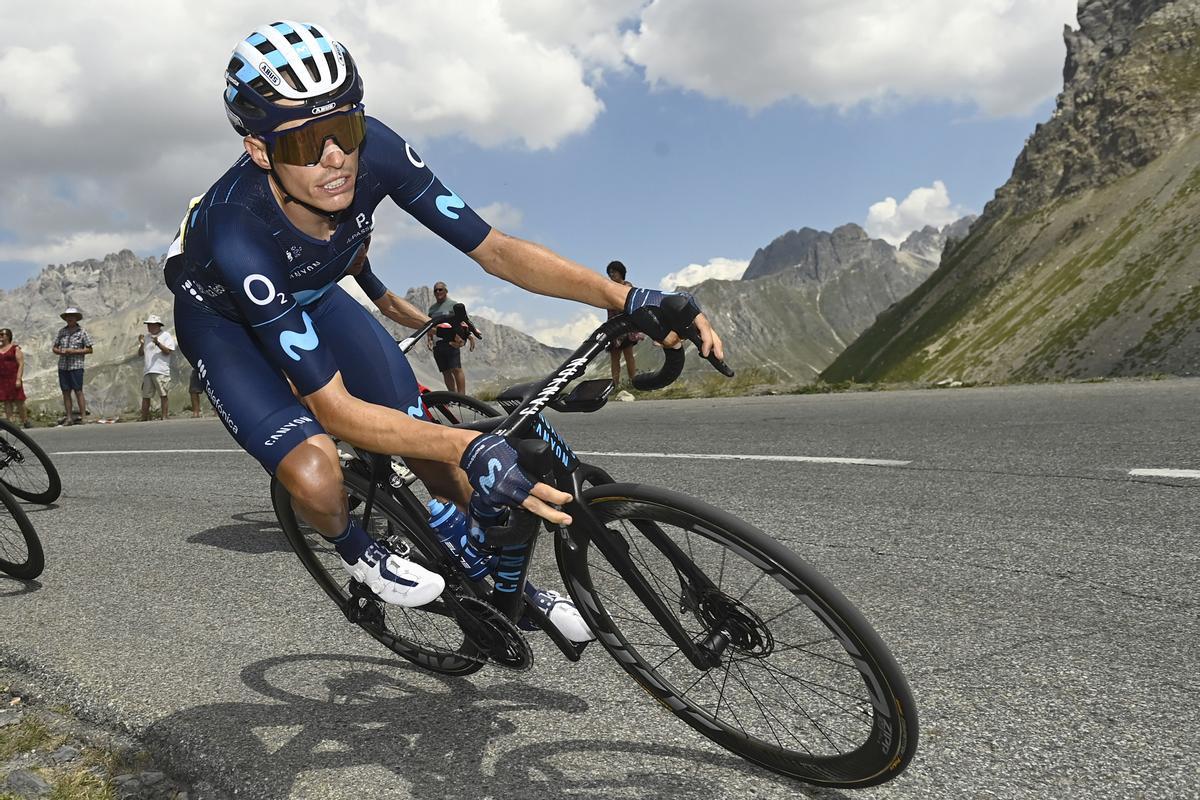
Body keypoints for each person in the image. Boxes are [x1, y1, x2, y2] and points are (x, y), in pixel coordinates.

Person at [162, 21, 723, 631]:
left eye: (345, 129)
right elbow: (336, 410)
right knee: (319, 472)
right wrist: (469, 441)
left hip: (317, 297)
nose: (335, 160)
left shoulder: (378, 150)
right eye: (304, 143)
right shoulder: (237, 227)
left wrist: (627, 297)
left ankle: (499, 584)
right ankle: (356, 549)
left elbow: (495, 249)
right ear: (260, 150)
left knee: (420, 435)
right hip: (222, 324)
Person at [426, 282, 475, 393]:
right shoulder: (432, 309)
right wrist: (429, 339)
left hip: (452, 341)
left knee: (456, 369)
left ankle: (462, 397)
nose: (438, 292)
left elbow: (464, 321)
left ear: (446, 291)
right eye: (436, 290)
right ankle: (452, 397)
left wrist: (469, 335)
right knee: (445, 371)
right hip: (437, 344)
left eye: (440, 289)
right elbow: (430, 325)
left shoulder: (453, 305)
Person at [603, 261, 644, 389]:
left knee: (628, 354)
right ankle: (615, 385)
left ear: (621, 273)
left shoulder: (627, 287)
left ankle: (634, 382)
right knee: (614, 356)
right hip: (613, 325)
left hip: (626, 326)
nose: (611, 274)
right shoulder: (609, 287)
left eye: (614, 271)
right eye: (610, 272)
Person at [52, 307, 93, 426]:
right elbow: (54, 347)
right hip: (63, 366)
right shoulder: (62, 332)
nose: (70, 318)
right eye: (68, 317)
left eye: (72, 316)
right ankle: (69, 417)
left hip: (76, 365)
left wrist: (74, 351)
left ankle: (83, 417)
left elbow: (89, 349)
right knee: (66, 391)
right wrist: (60, 352)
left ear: (76, 318)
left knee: (78, 390)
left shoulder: (82, 332)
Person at [137, 314, 177, 421]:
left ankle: (164, 416)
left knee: (163, 394)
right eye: (148, 325)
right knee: (146, 396)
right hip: (148, 370)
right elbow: (140, 354)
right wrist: (141, 344)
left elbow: (168, 351)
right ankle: (144, 417)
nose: (149, 327)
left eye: (151, 325)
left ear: (158, 325)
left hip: (161, 370)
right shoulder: (146, 337)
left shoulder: (166, 335)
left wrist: (158, 343)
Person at [0, 329, 31, 428]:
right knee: (7, 401)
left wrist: (18, 378)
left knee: (19, 400)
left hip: (13, 377)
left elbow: (21, 364)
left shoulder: (15, 349)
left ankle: (25, 420)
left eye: (2, 334)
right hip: (2, 378)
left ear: (8, 336)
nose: (0, 336)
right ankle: (11, 423)